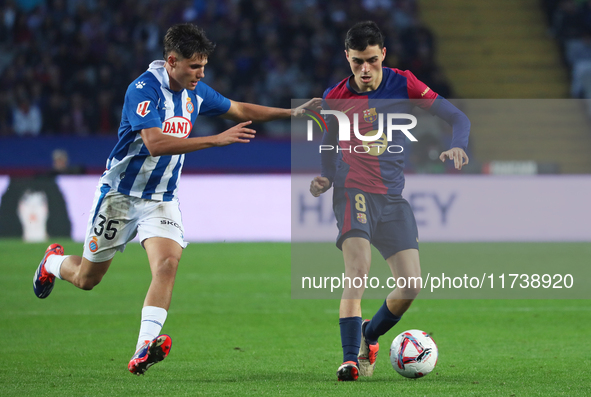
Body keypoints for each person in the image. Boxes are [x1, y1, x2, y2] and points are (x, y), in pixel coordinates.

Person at [33, 23, 319, 376]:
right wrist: (215, 140)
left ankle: (142, 348)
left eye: (203, 66)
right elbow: (155, 143)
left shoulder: (193, 91)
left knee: (168, 264)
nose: (201, 74)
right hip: (120, 197)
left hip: (161, 199)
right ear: (171, 60)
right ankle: (51, 263)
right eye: (194, 67)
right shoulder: (142, 90)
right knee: (87, 279)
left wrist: (291, 114)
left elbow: (239, 108)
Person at [309, 21, 470, 381]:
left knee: (412, 284)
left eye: (371, 60)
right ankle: (351, 359)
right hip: (353, 192)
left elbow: (457, 116)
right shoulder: (334, 96)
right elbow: (329, 144)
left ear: (383, 54)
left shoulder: (405, 82)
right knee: (358, 269)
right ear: (346, 58)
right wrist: (326, 176)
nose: (364, 70)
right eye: (356, 62)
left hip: (393, 198)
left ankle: (370, 335)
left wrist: (458, 143)